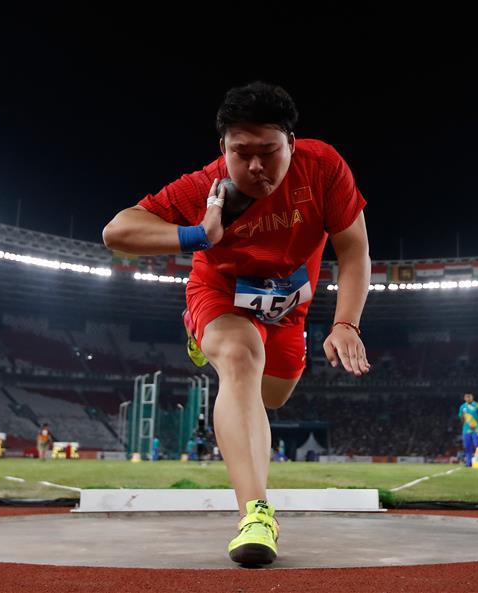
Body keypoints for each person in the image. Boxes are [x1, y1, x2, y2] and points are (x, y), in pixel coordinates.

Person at [103, 81, 370, 565]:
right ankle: (256, 514)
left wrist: (346, 323)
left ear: (291, 142)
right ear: (222, 149)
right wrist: (196, 233)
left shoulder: (324, 167)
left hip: (289, 306)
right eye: (240, 153)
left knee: (271, 397)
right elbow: (117, 230)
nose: (254, 167)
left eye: (268, 152)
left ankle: (228, 363)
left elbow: (354, 250)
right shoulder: (206, 186)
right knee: (241, 358)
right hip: (221, 293)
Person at [458, 392, 478, 468]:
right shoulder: (462, 407)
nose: (468, 398)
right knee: (467, 446)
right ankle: (468, 463)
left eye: (469, 397)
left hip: (476, 429)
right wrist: (465, 424)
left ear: (472, 397)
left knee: (477, 445)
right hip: (466, 430)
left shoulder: (477, 405)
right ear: (464, 398)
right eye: (466, 397)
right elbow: (461, 417)